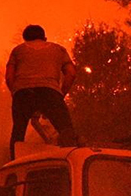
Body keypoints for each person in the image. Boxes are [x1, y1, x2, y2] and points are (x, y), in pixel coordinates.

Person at [5, 24, 79, 159]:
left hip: (23, 93)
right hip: (50, 92)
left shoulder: (18, 50)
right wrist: (60, 94)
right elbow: (71, 73)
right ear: (44, 38)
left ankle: (13, 162)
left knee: (18, 132)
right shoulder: (59, 50)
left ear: (25, 39)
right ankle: (72, 158)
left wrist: (16, 93)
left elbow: (9, 77)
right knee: (66, 130)